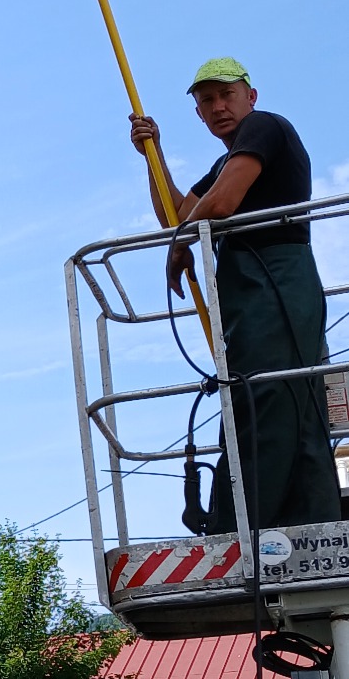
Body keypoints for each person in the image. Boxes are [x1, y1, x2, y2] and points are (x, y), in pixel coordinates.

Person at [130, 57, 340, 533]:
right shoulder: (224, 164)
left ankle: (256, 532)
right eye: (207, 101)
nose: (219, 106)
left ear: (251, 96)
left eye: (226, 94)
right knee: (254, 398)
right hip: (246, 297)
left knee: (276, 400)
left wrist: (182, 243)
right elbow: (178, 215)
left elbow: (218, 208)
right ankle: (271, 523)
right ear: (199, 115)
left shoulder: (265, 127)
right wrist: (153, 154)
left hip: (278, 285)